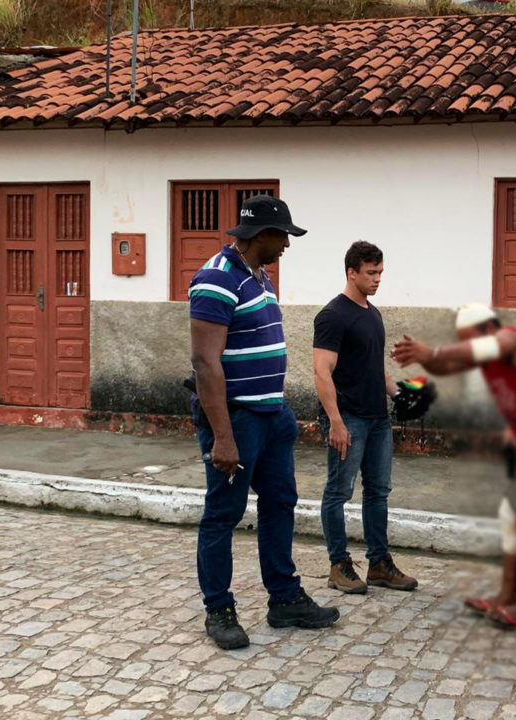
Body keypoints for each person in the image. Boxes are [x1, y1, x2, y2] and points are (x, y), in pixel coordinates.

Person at [189, 195, 339, 650]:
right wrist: (223, 437)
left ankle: (284, 598)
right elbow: (205, 362)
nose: (287, 246)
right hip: (237, 418)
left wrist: (280, 411)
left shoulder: (261, 276)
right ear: (262, 235)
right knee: (223, 514)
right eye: (283, 237)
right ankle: (219, 609)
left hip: (272, 415)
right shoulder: (216, 278)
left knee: (280, 503)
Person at [391, 305, 516, 630]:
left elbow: (488, 346)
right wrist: (424, 357)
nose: (466, 347)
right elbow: (444, 365)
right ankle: (506, 597)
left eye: (468, 339)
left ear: (487, 329)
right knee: (511, 518)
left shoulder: (511, 339)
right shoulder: (487, 357)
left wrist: (435, 351)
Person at [313, 241, 418, 594]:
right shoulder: (332, 316)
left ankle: (379, 564)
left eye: (380, 273)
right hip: (349, 419)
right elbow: (322, 371)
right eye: (371, 273)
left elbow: (374, 368)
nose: (377, 279)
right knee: (338, 492)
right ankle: (338, 565)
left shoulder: (373, 314)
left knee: (378, 492)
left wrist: (400, 395)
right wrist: (335, 421)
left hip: (377, 420)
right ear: (351, 272)